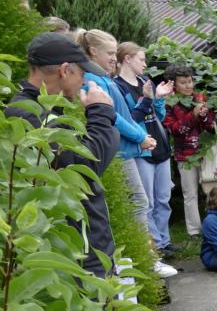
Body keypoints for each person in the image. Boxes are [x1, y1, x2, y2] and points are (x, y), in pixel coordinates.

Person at [5, 33, 117, 277]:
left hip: (87, 252)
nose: (84, 80)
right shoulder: (29, 114)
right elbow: (87, 164)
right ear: (64, 71)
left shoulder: (47, 110)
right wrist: (101, 112)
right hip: (79, 262)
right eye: (82, 72)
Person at [73, 28, 176, 278]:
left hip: (129, 149)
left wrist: (150, 106)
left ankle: (147, 256)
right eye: (110, 52)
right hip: (119, 152)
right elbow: (113, 116)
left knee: (144, 202)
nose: (114, 57)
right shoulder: (93, 80)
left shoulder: (104, 78)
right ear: (93, 51)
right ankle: (146, 259)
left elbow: (128, 115)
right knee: (139, 203)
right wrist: (140, 137)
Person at [114, 42, 175, 257]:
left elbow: (159, 116)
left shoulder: (144, 81)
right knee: (146, 201)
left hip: (160, 145)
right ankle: (154, 245)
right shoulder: (118, 86)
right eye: (141, 59)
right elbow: (130, 118)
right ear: (127, 59)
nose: (145, 64)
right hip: (142, 149)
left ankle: (164, 241)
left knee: (163, 198)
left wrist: (159, 98)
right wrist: (148, 99)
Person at [161, 63, 216, 237]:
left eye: (190, 81)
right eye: (183, 83)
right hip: (184, 155)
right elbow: (175, 130)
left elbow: (212, 127)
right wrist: (192, 115)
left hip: (206, 152)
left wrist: (204, 116)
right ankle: (194, 231)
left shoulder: (200, 97)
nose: (188, 86)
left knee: (212, 190)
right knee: (190, 193)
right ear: (173, 85)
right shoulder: (169, 103)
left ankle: (216, 226)